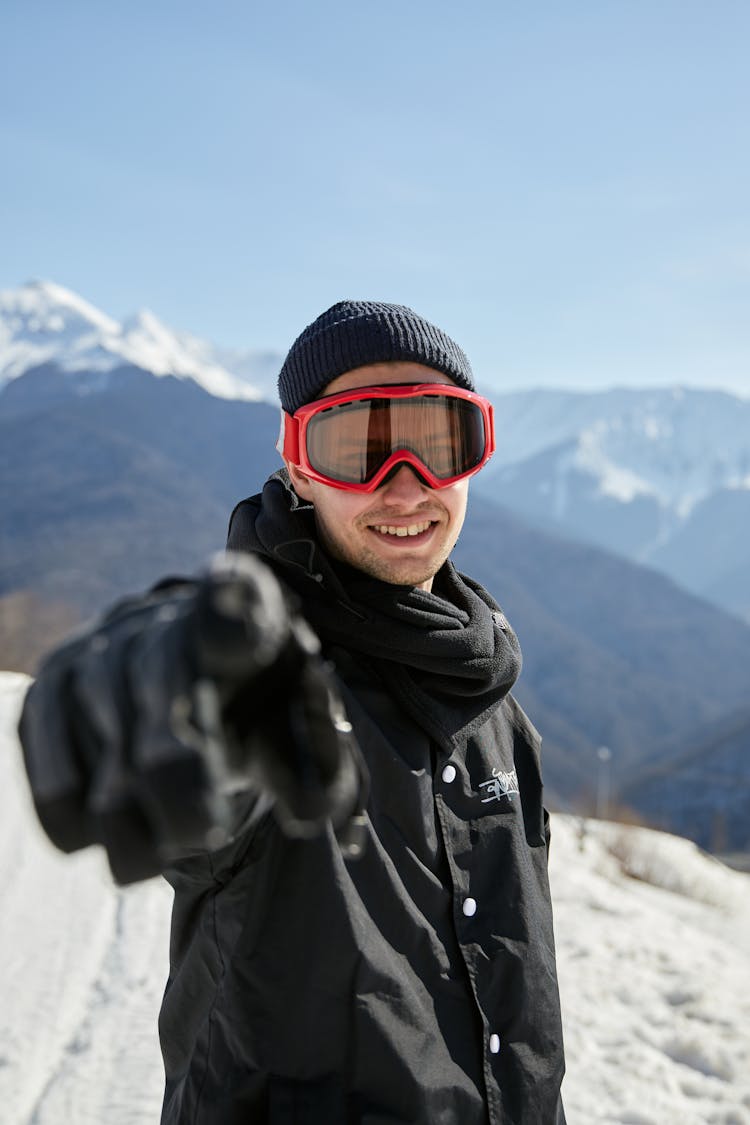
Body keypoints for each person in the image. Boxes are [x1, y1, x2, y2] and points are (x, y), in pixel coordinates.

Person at [19, 301, 566, 1124]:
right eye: (356, 449)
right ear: (298, 467)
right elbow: (216, 767)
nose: (407, 481)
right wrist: (155, 683)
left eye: (440, 439)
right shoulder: (279, 686)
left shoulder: (494, 710)